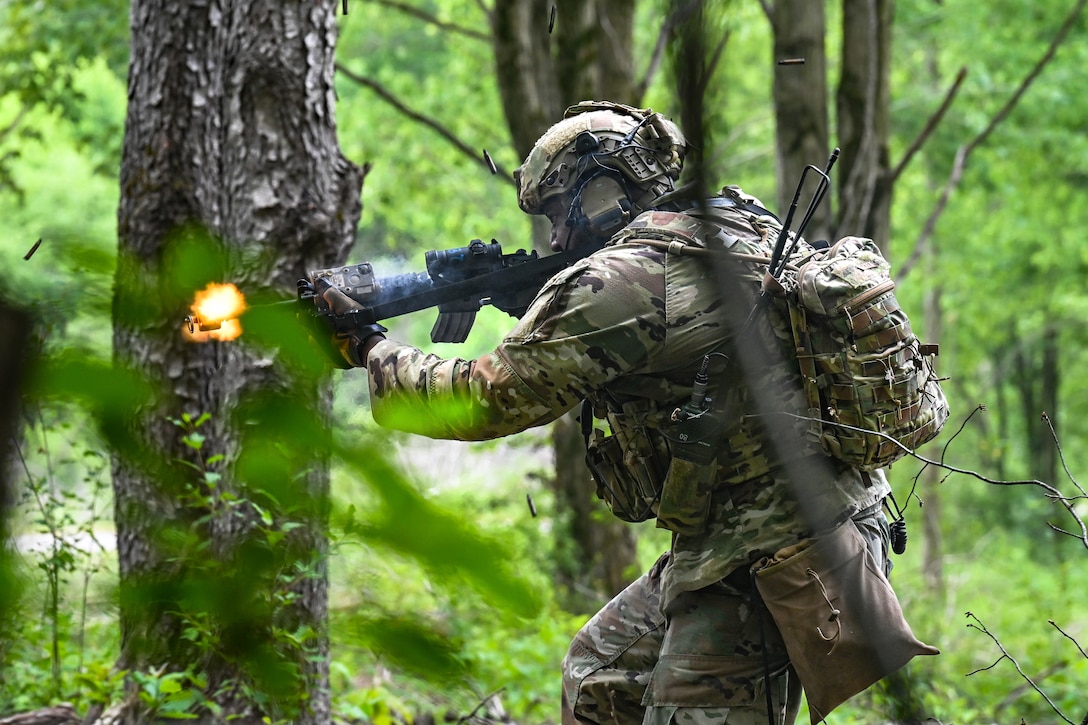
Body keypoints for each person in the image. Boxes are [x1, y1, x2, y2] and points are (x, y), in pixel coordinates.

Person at [314, 101, 901, 724]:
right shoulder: (720, 228)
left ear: (600, 192)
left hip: (776, 558)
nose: (555, 239)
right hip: (786, 529)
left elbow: (483, 401)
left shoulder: (625, 278)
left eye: (555, 213)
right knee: (601, 677)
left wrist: (370, 348)